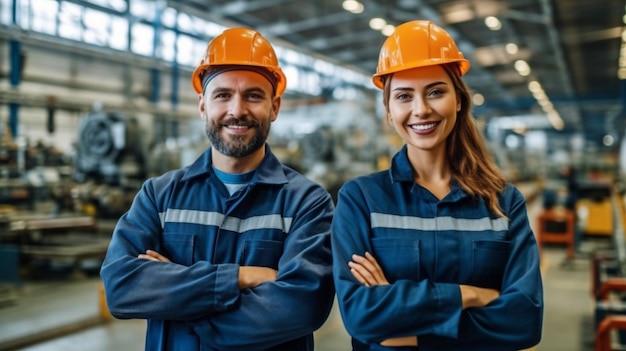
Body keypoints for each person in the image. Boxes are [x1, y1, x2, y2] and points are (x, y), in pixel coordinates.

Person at [100, 27, 336, 351]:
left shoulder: (307, 203)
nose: (237, 110)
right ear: (202, 105)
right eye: (222, 95)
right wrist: (240, 277)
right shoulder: (159, 196)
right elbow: (121, 287)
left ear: (275, 106)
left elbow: (301, 306)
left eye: (253, 95)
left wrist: (182, 303)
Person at [331, 20, 543, 350]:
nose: (421, 109)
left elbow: (524, 320)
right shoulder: (361, 200)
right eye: (403, 96)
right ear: (388, 110)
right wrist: (470, 294)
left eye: (435, 92)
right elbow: (361, 315)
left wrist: (409, 331)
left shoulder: (503, 203)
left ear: (458, 100)